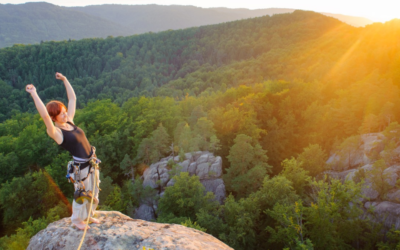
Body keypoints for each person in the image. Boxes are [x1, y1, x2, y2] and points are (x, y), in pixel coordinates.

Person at [26, 72, 100, 230]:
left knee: (94, 190)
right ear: (54, 118)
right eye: (62, 113)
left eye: (65, 111)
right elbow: (45, 116)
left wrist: (65, 80)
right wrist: (34, 93)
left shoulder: (70, 122)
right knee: (81, 193)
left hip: (91, 162)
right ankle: (77, 220)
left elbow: (73, 99)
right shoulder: (57, 133)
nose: (66, 114)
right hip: (81, 167)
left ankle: (88, 216)